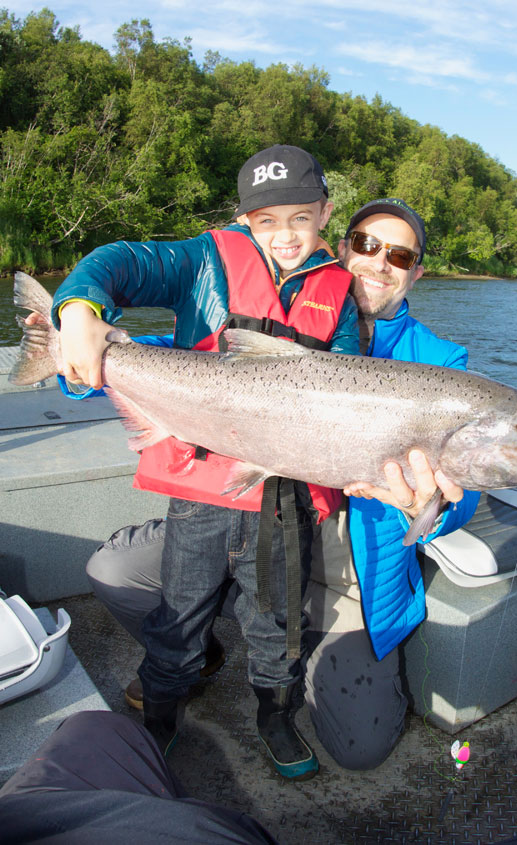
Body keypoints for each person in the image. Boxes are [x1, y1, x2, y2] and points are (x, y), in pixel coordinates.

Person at [84, 198, 481, 772]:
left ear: (417, 270)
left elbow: (468, 492)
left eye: (400, 255)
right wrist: (82, 349)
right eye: (367, 245)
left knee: (361, 749)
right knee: (114, 574)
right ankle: (198, 656)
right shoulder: (284, 305)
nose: (378, 263)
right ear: (342, 248)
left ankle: (273, 692)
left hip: (345, 558)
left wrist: (434, 506)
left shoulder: (442, 363)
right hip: (234, 508)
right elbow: (178, 372)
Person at [46, 144, 360, 781]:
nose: (286, 234)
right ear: (245, 220)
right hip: (201, 493)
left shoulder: (340, 291)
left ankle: (276, 714)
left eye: (301, 217)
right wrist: (78, 311)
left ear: (325, 214)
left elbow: (348, 389)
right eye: (266, 221)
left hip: (283, 502)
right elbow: (117, 261)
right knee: (178, 618)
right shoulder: (201, 260)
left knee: (278, 627)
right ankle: (159, 718)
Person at [0, 710, 517, 844]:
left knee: (95, 728)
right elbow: (89, 390)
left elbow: (462, 504)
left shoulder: (433, 358)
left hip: (36, 819)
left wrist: (437, 509)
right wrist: (83, 365)